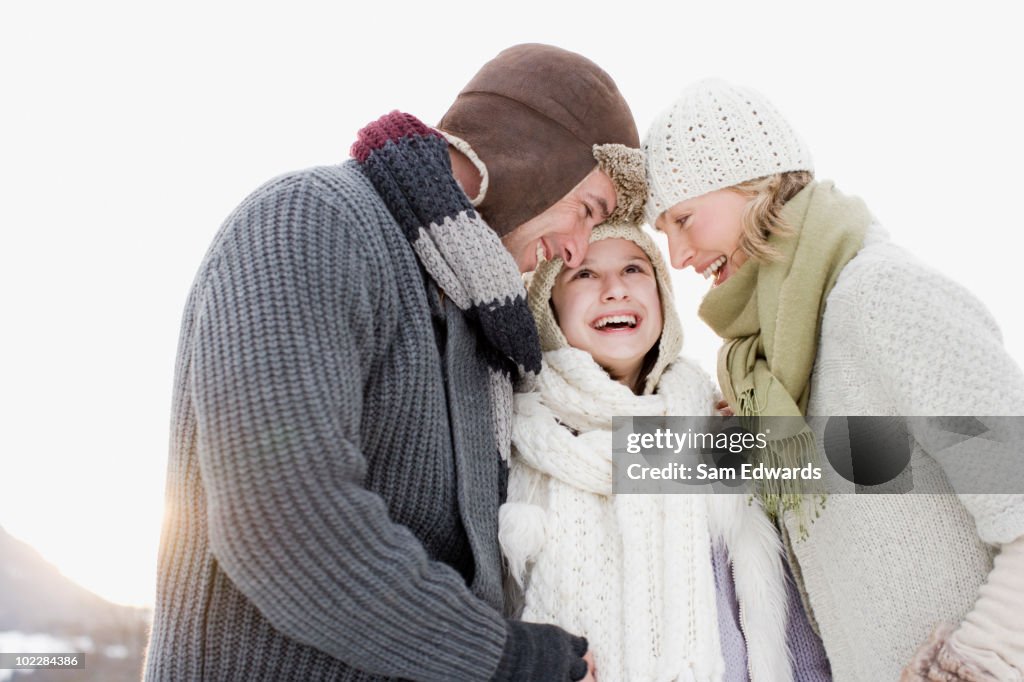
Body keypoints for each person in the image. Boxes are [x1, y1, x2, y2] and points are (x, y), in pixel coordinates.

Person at [144, 43, 641, 682]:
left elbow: (601, 449)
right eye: (588, 211)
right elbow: (288, 525)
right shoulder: (310, 223)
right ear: (538, 155)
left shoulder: (489, 329)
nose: (575, 251)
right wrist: (509, 659)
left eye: (632, 267)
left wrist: (768, 441)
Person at [643, 78, 1024, 681]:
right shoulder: (778, 369)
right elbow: (861, 475)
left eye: (684, 219)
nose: (679, 256)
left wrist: (973, 666)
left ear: (759, 183)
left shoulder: (881, 297)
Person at [499, 217, 832, 681]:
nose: (615, 289)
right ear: (548, 308)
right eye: (585, 274)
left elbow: (783, 617)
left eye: (635, 270)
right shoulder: (518, 436)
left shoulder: (713, 432)